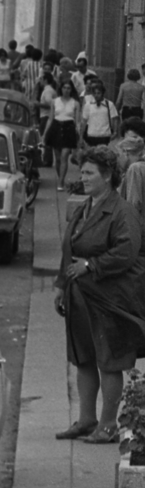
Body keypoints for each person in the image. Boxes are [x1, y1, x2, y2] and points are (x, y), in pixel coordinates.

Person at [53, 147, 145, 443]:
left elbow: (127, 253)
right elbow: (70, 247)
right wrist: (60, 285)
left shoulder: (122, 212)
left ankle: (108, 425)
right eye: (82, 172)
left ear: (107, 177)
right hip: (79, 296)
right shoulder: (85, 206)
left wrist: (91, 265)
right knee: (83, 359)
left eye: (89, 173)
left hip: (109, 299)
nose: (83, 178)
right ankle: (86, 419)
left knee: (109, 360)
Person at [44, 73, 82, 193]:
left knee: (65, 155)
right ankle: (60, 177)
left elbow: (78, 121)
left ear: (72, 89)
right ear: (61, 88)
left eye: (69, 88)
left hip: (69, 128)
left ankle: (60, 182)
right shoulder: (55, 101)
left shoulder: (75, 103)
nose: (66, 90)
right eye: (64, 87)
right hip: (56, 127)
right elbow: (50, 118)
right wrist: (45, 133)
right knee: (58, 158)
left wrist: (78, 134)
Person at [81, 75, 118, 147]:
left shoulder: (109, 104)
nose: (96, 95)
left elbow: (114, 118)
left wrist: (115, 131)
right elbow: (84, 121)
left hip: (104, 135)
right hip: (91, 134)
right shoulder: (88, 105)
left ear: (102, 94)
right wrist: (81, 136)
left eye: (98, 93)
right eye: (94, 93)